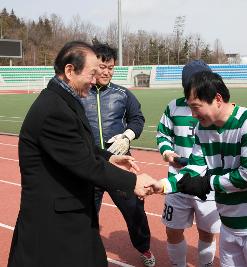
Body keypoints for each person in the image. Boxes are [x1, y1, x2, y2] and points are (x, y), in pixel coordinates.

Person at [7, 41, 154, 267]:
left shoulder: (64, 100)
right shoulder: (55, 109)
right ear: (69, 70)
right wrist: (132, 181)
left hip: (68, 214)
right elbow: (84, 162)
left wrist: (109, 157)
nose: (95, 80)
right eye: (92, 73)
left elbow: (81, 145)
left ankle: (143, 246)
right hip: (54, 224)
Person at [151, 71, 247, 267]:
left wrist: (207, 183)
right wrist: (162, 185)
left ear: (218, 99)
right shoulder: (204, 129)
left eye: (196, 108)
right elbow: (196, 166)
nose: (194, 115)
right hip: (229, 225)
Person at [80, 43, 155, 267]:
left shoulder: (123, 94)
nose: (106, 72)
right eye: (102, 66)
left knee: (134, 211)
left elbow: (137, 119)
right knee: (85, 214)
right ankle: (85, 251)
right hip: (90, 166)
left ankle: (145, 248)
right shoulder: (81, 94)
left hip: (119, 166)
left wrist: (127, 136)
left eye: (111, 68)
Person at [156, 60, 220, 267]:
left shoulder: (215, 107)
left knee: (207, 232)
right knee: (172, 230)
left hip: (206, 183)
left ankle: (205, 264)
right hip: (177, 179)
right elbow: (162, 134)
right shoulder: (173, 107)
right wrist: (168, 153)